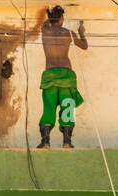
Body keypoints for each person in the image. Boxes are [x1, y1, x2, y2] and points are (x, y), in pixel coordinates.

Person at [38, 6, 88, 148]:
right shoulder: (68, 33)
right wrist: (81, 32)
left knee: (48, 109)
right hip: (66, 76)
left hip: (50, 76)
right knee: (67, 108)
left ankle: (45, 141)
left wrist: (50, 14)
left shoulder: (45, 31)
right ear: (61, 19)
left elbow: (46, 23)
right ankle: (67, 142)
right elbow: (84, 46)